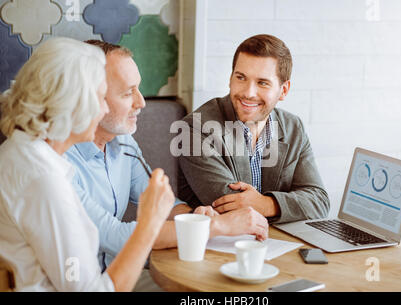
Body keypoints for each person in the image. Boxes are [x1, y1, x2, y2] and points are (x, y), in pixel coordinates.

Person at [64, 41, 269, 290]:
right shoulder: (60, 161)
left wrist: (195, 217)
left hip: (120, 274)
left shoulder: (122, 141)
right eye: (128, 93)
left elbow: (163, 202)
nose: (141, 102)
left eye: (138, 89)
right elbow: (115, 237)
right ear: (90, 98)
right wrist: (218, 226)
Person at [0, 37, 174, 291]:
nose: (104, 110)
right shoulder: (43, 180)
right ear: (72, 104)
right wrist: (148, 225)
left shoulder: (28, 153)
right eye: (100, 98)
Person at [178, 34, 330, 223]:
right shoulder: (195, 129)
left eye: (262, 83)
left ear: (283, 90)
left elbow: (319, 202)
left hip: (278, 243)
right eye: (241, 77)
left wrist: (267, 204)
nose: (248, 93)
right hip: (218, 246)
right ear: (230, 78)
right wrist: (285, 205)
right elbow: (229, 206)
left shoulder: (293, 127)